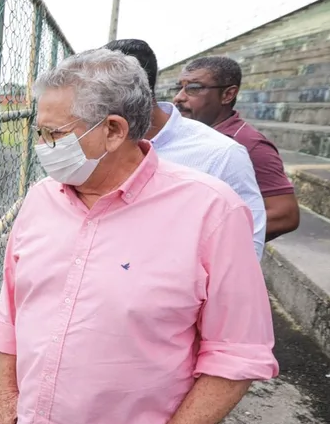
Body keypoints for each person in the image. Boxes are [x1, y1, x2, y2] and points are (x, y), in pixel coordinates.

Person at [0, 48, 278, 424]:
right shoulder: (39, 201)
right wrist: (9, 397)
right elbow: (11, 308)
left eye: (53, 134)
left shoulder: (210, 211)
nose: (41, 148)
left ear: (114, 130)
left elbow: (238, 354)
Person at [106, 39, 265, 260]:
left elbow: (246, 247)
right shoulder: (97, 143)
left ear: (126, 92)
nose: (180, 96)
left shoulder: (222, 154)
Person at [172, 56, 300, 240]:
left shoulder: (249, 144)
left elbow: (285, 215)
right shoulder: (186, 135)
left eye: (194, 88)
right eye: (179, 88)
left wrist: (203, 239)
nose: (179, 97)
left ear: (227, 95)